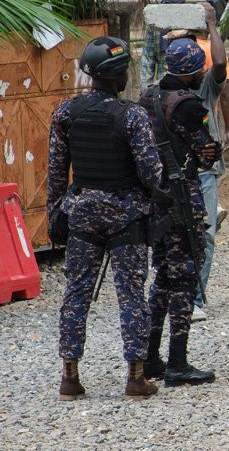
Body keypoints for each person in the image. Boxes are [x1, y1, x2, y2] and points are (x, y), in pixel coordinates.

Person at [46, 36, 164, 400]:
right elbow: (150, 172)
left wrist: (56, 212)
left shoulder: (66, 112)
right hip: (126, 216)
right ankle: (136, 377)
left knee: (76, 293)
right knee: (131, 296)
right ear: (119, 75)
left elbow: (55, 170)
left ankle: (69, 377)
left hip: (81, 215)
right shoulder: (132, 116)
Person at [139, 39, 223, 385]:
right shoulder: (187, 104)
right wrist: (213, 149)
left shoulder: (147, 96)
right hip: (181, 197)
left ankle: (150, 358)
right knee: (186, 276)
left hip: (155, 196)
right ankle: (178, 362)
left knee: (161, 277)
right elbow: (205, 154)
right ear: (192, 71)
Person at [186, 2, 229, 323]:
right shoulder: (160, 91)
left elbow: (220, 66)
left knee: (206, 233)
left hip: (203, 172)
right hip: (175, 172)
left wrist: (212, 27)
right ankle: (179, 296)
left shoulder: (205, 87)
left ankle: (195, 297)